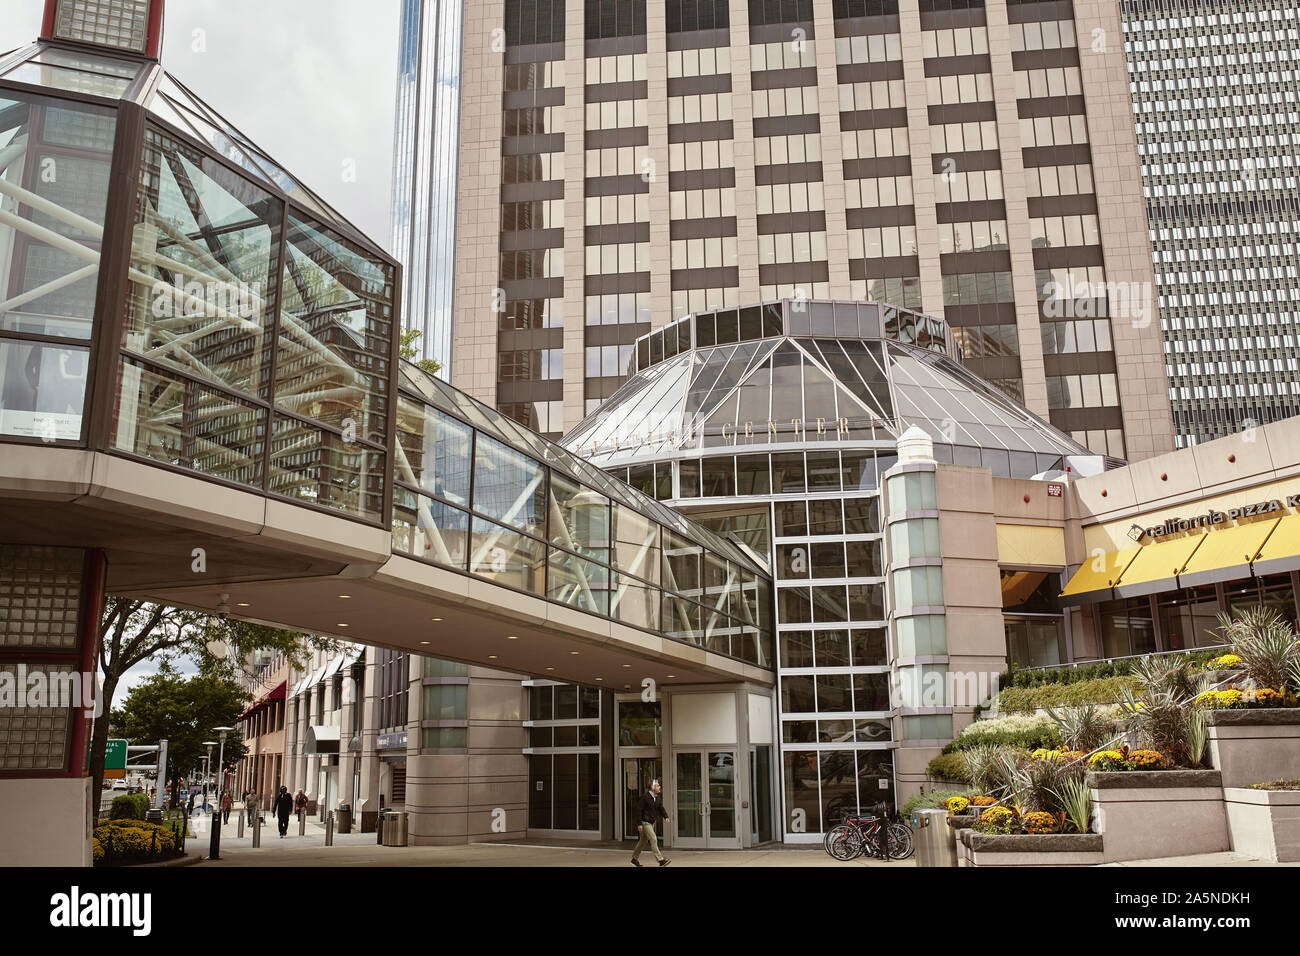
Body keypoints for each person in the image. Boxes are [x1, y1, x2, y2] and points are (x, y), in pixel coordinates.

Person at [630, 778, 671, 867]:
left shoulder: (657, 797)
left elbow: (661, 808)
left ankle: (634, 858)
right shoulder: (645, 797)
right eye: (657, 785)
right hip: (645, 822)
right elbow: (639, 811)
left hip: (651, 822)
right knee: (653, 838)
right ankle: (661, 860)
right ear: (652, 788)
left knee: (642, 842)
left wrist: (666, 817)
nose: (659, 787)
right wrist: (639, 823)